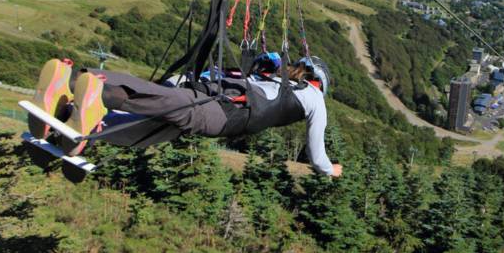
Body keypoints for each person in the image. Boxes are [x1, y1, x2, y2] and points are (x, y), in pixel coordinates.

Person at [29, 55, 343, 177]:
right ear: (321, 84)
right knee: (161, 103)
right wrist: (332, 170)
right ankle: (89, 87)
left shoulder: (274, 76)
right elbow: (318, 158)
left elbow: (249, 66)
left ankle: (79, 125)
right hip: (222, 114)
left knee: (155, 128)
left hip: (213, 91)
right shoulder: (314, 99)